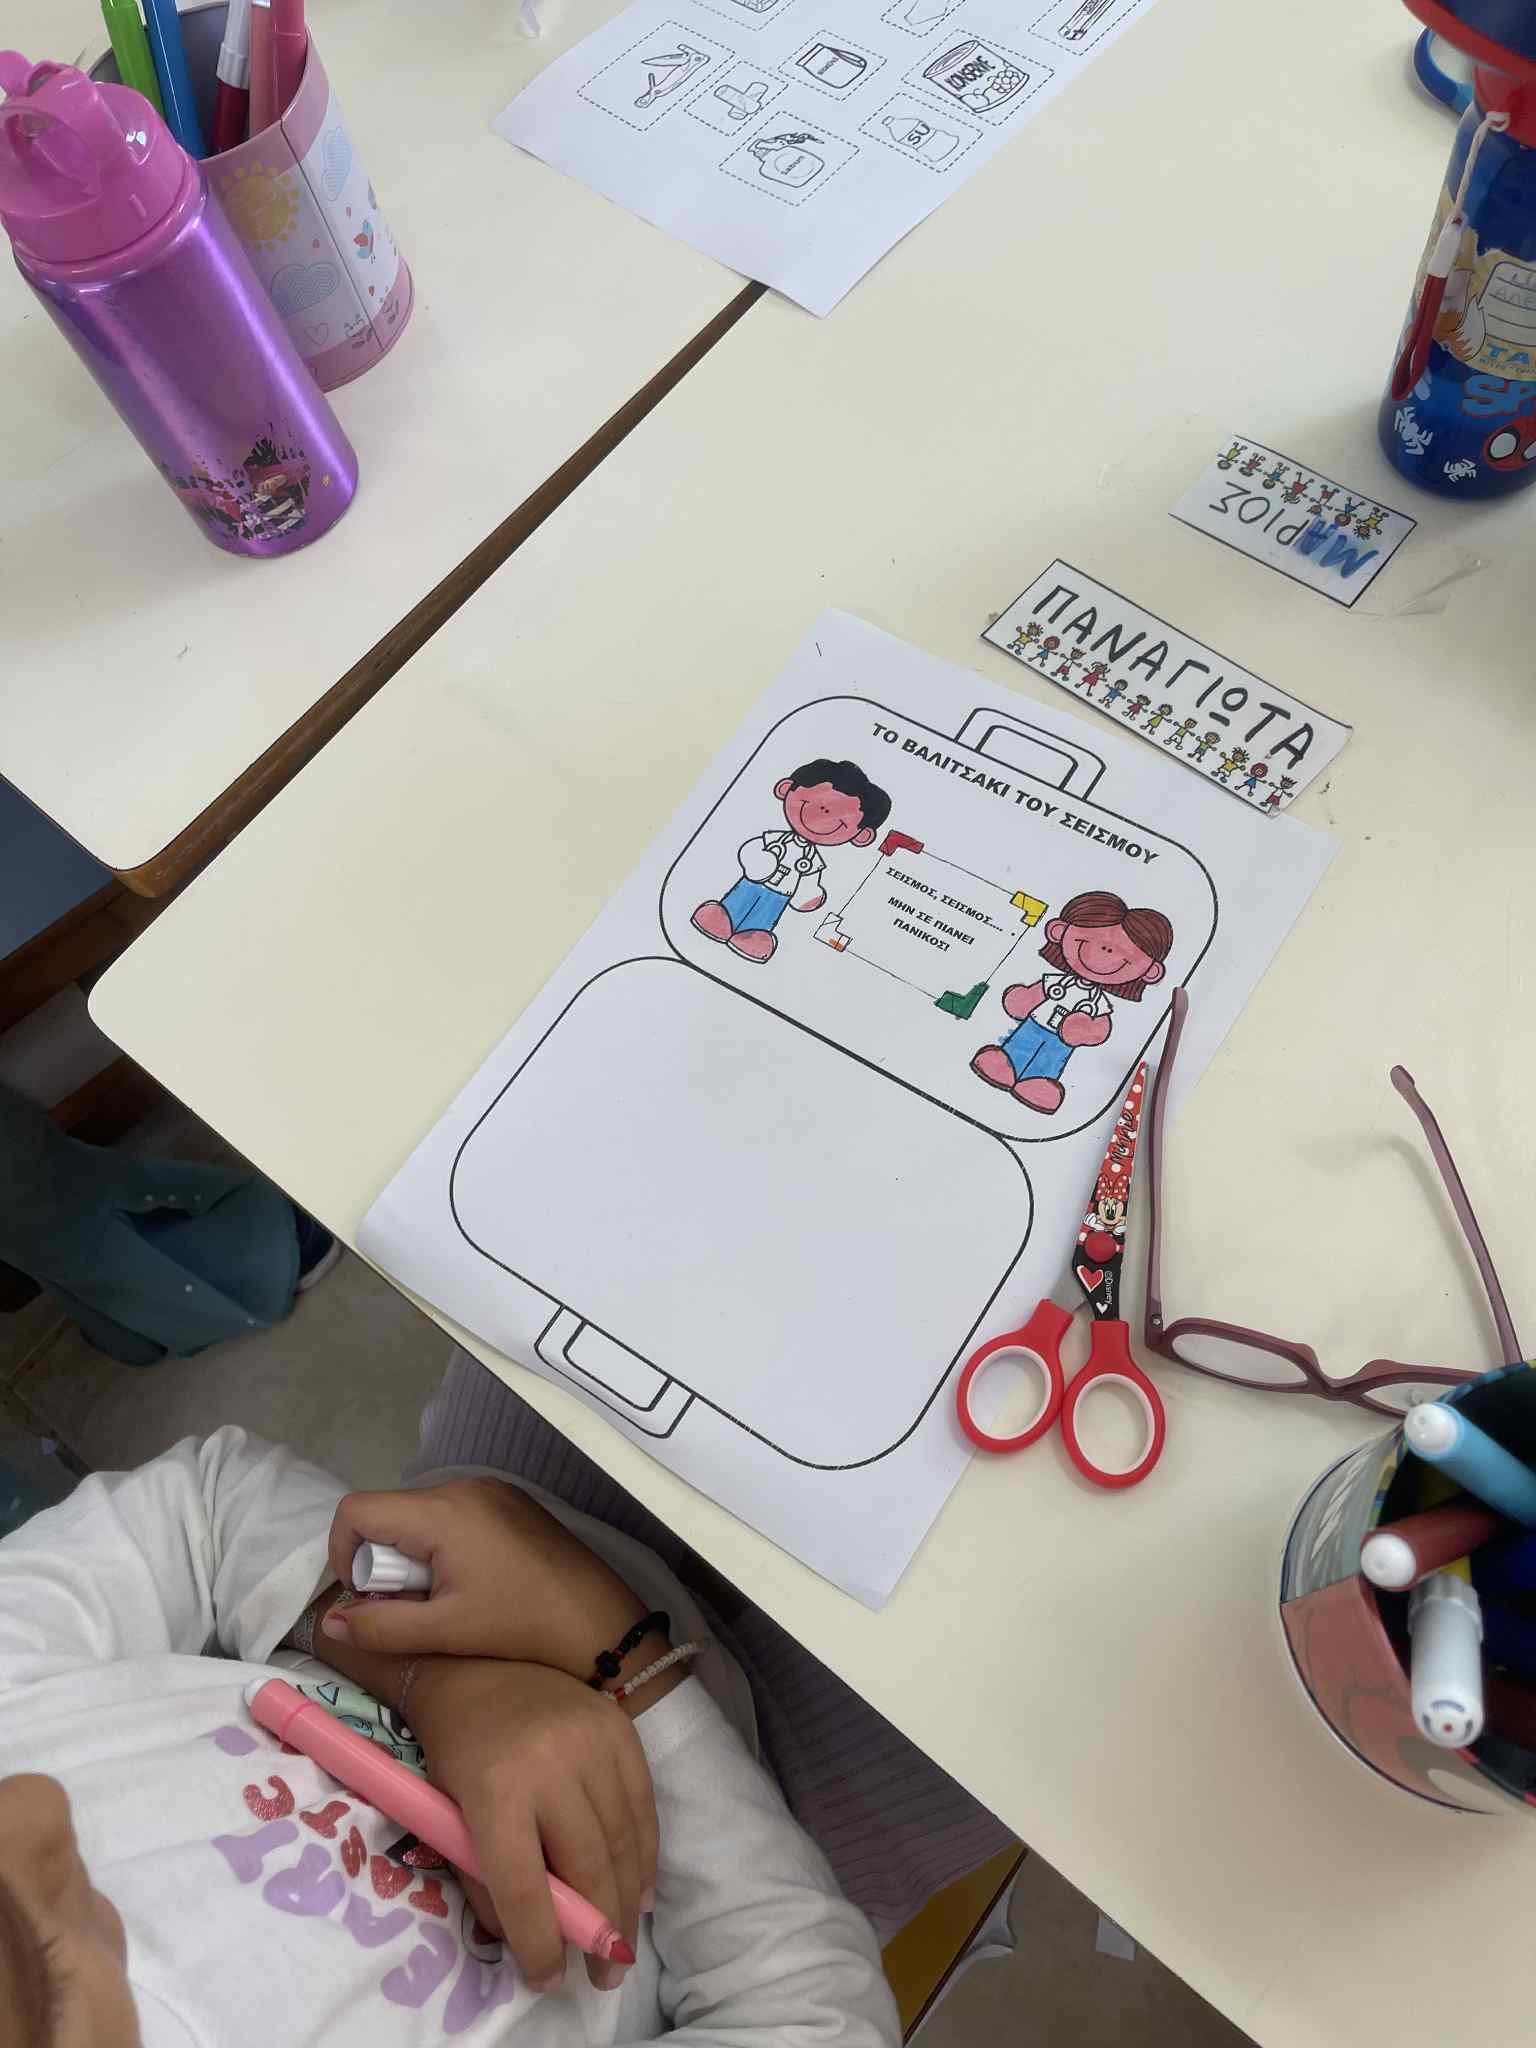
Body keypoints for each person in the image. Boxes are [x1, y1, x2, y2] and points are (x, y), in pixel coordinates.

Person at [0, 1429, 897, 2047]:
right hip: (810, 1787)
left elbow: (203, 1511)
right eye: (34, 1969)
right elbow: (815, 2016)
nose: (36, 1806)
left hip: (514, 1510)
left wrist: (439, 1683)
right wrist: (620, 1662)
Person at [970, 888, 1174, 1114]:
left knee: (1050, 1060)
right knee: (1019, 1045)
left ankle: (1038, 1082)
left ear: (1151, 972)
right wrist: (1023, 1000)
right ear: (1058, 931)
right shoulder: (1056, 982)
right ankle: (1004, 1063)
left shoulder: (1097, 1002)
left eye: (1126, 952)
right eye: (1091, 938)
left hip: (1061, 1042)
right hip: (1034, 1024)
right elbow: (1035, 994)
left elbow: (1100, 1028)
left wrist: (1084, 1030)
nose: (1107, 949)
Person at [691, 760, 891, 964]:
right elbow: (751, 850)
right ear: (785, 789)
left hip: (780, 896)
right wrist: (759, 863)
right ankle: (721, 917)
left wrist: (808, 896)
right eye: (816, 802)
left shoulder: (812, 861)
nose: (825, 813)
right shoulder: (773, 839)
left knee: (764, 917)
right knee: (736, 902)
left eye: (841, 817)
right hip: (751, 884)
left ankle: (754, 935)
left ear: (861, 836)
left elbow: (808, 883)